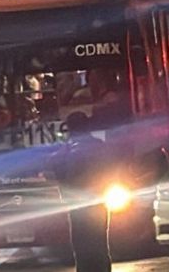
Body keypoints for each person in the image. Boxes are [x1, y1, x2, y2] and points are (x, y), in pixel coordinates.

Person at [51, 112, 115, 272]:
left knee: (81, 245)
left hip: (77, 206)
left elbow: (56, 171)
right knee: (99, 242)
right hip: (97, 202)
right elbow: (111, 170)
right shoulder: (99, 146)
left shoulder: (66, 150)